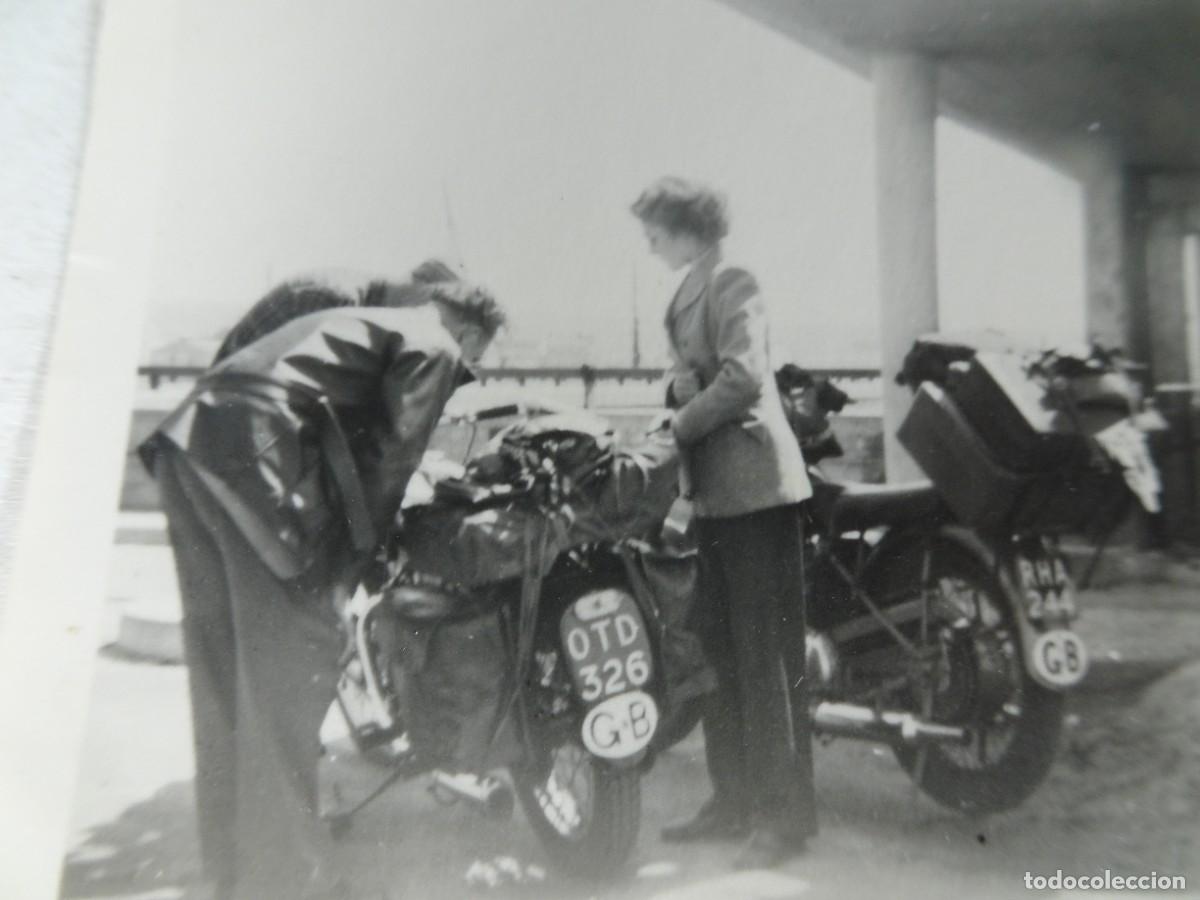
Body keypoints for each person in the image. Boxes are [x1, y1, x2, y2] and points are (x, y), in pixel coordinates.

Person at [139, 277, 504, 900]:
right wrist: (345, 576)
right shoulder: (434, 342)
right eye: (471, 364)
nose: (460, 373)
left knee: (224, 684)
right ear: (467, 331)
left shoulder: (351, 322)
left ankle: (233, 875)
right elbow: (392, 461)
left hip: (188, 448)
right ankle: (289, 884)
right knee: (290, 677)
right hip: (256, 462)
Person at [631, 176, 817, 869]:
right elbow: (697, 376)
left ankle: (783, 817)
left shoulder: (733, 276)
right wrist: (677, 397)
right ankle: (732, 801)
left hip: (755, 491)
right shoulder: (692, 285)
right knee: (717, 655)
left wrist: (680, 418)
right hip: (716, 494)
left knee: (766, 661)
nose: (647, 242)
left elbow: (742, 376)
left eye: (653, 227)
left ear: (685, 225)